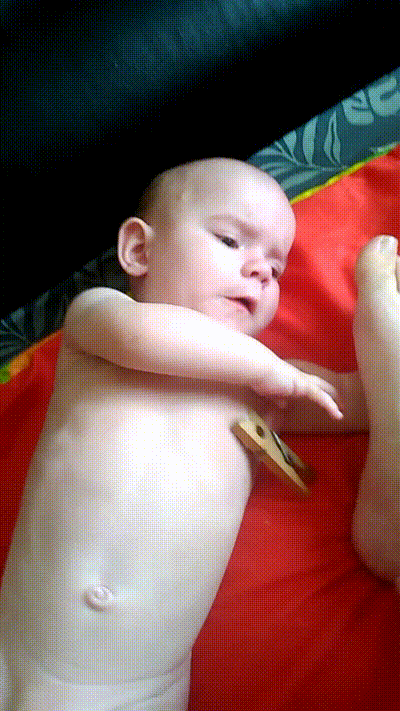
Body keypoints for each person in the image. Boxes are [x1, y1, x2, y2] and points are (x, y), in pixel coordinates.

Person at [0, 158, 398, 710]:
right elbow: (142, 338)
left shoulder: (261, 388)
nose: (261, 272)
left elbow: (363, 401)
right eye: (231, 241)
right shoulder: (99, 320)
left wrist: (380, 323)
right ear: (139, 251)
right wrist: (270, 371)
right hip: (19, 662)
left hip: (144, 693)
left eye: (277, 269)